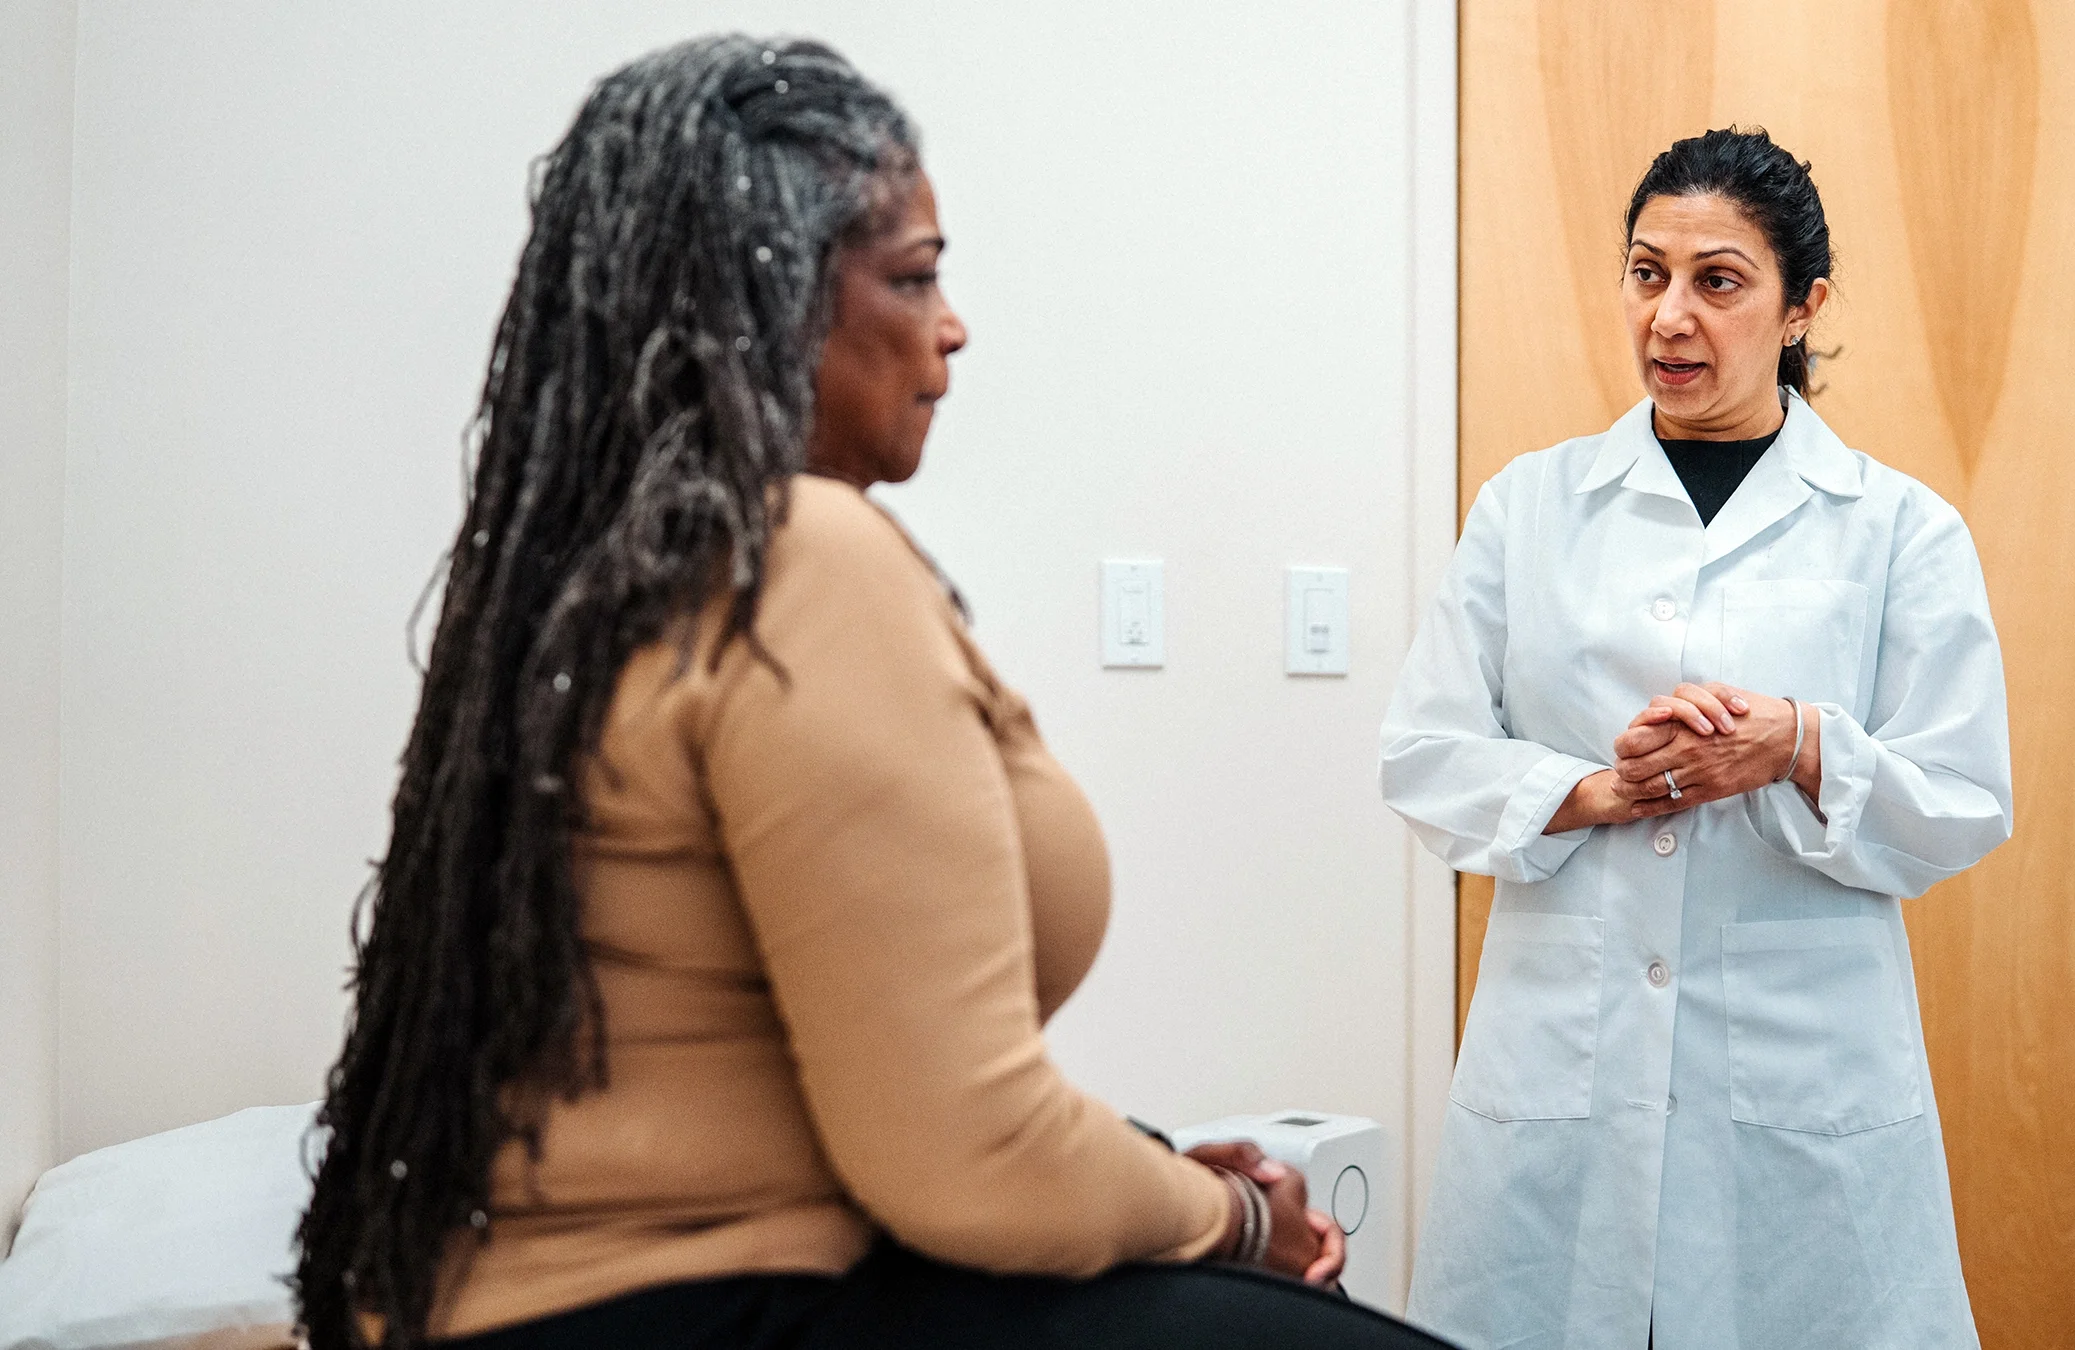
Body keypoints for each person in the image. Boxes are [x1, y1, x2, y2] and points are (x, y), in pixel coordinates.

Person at [293, 35, 1450, 1350]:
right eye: (913, 277)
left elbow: (876, 1108)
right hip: (709, 1307)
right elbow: (969, 1153)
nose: (952, 326)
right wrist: (1238, 1220)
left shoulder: (591, 577)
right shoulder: (797, 554)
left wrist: (1169, 1174)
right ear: (764, 301)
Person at [1381, 128, 2013, 1350]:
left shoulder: (1899, 532)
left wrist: (1798, 742)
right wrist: (1588, 792)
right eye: (1645, 272)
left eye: (1717, 280)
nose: (1670, 317)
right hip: (1564, 1066)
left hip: (1801, 1089)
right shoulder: (1529, 508)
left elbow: (1962, 797)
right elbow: (1425, 752)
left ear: (1800, 307)